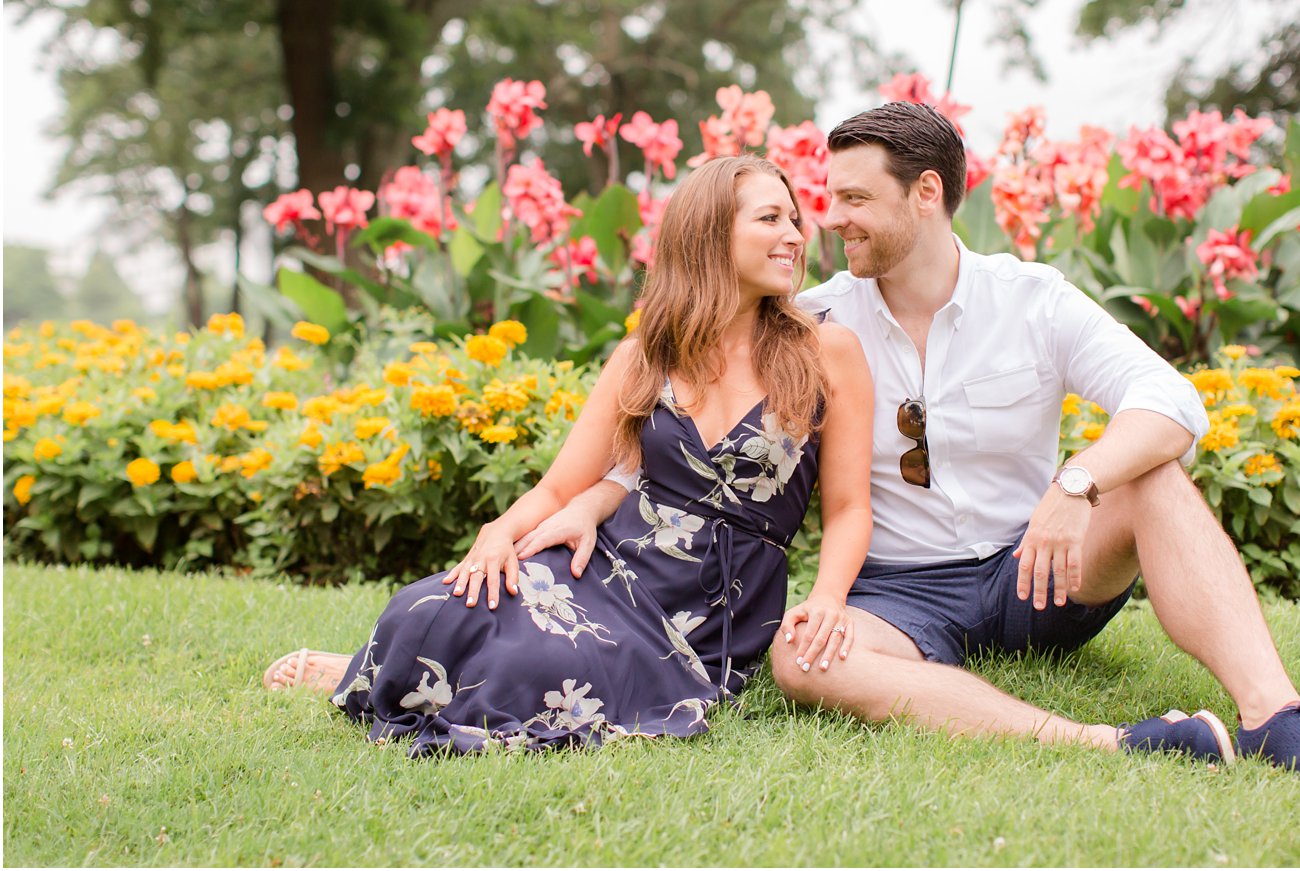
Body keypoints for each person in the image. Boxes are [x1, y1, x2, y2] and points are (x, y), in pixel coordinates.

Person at [535, 102, 1300, 781]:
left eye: (855, 200)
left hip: (1039, 568)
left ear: (928, 193)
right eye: (830, 202)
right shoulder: (815, 320)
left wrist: (1077, 484)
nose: (832, 222)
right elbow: (683, 405)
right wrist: (595, 495)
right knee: (800, 658)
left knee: (1154, 473)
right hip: (898, 598)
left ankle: (1275, 716)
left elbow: (1171, 399)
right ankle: (1105, 740)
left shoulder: (1033, 300)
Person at [263, 155, 874, 758]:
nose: (795, 236)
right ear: (711, 233)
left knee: (545, 662)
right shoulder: (644, 356)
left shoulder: (826, 351)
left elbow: (847, 506)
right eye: (771, 219)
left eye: (794, 220)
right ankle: (387, 663)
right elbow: (559, 489)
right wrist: (498, 533)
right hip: (604, 562)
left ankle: (391, 675)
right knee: (424, 606)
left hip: (703, 612)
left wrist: (826, 597)